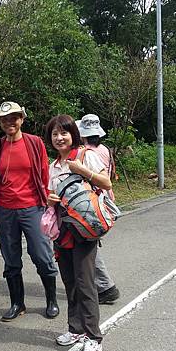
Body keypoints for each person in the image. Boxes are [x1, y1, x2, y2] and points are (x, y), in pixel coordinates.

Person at [0, 101, 60, 321]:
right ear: (0, 123)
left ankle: (51, 300)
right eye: (4, 119)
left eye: (13, 118)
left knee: (42, 255)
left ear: (22, 119)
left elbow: (45, 175)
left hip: (33, 207)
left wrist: (49, 203)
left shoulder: (34, 143)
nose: (9, 122)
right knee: (11, 258)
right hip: (5, 210)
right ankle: (18, 303)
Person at [46, 114, 112, 351]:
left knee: (86, 283)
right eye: (54, 134)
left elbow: (105, 183)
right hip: (62, 229)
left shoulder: (86, 155)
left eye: (64, 132)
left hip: (84, 227)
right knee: (70, 281)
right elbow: (52, 194)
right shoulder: (54, 166)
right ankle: (76, 329)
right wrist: (50, 199)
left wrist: (81, 170)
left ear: (73, 134)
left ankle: (94, 338)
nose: (59, 137)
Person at [76, 114, 120, 304]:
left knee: (89, 246)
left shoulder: (87, 153)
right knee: (91, 244)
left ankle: (105, 287)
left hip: (93, 204)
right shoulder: (104, 149)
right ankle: (101, 285)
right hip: (105, 201)